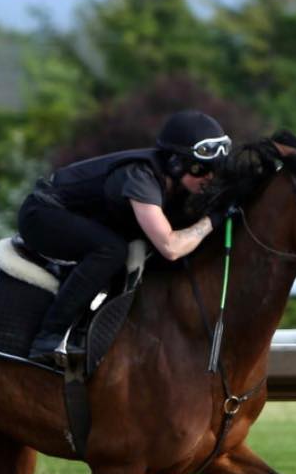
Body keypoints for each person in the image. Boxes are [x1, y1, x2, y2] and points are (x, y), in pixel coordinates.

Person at [18, 110, 232, 365]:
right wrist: (212, 221)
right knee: (112, 250)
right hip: (41, 215)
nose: (209, 177)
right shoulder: (141, 177)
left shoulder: (173, 184)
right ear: (175, 163)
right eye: (201, 168)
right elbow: (171, 246)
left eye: (215, 169)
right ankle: (48, 337)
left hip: (74, 217)